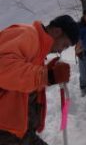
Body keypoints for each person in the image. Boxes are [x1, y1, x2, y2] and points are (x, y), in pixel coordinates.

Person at [0, 15, 79, 145]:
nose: (60, 51)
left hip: (18, 131)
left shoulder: (37, 50)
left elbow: (19, 80)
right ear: (57, 31)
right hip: (6, 131)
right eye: (64, 45)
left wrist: (48, 72)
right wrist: (47, 75)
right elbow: (3, 67)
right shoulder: (27, 34)